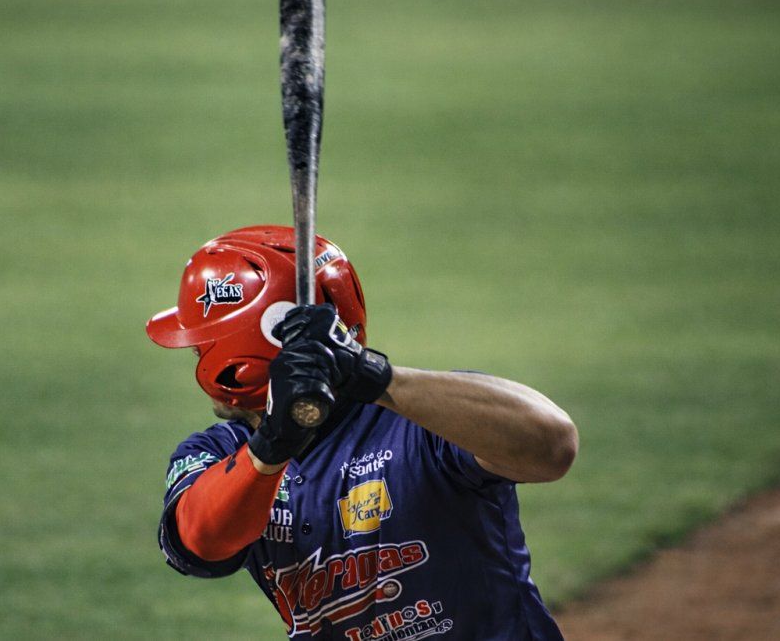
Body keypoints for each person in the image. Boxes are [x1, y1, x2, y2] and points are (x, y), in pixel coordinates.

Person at [147, 225, 578, 640]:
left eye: (204, 343)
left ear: (241, 353)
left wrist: (375, 377)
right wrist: (272, 446)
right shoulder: (221, 451)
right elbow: (201, 544)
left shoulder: (425, 416)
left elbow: (553, 446)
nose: (195, 355)